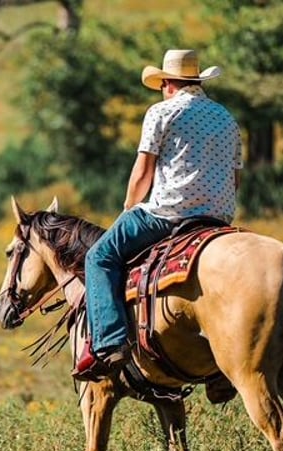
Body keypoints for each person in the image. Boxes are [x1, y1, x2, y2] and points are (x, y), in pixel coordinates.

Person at [72, 49, 243, 382]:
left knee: (100, 257)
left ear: (168, 84)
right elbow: (235, 178)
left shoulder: (162, 112)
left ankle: (109, 343)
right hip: (218, 218)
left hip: (169, 214)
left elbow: (143, 172)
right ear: (197, 81)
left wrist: (128, 208)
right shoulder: (227, 118)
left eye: (162, 84)